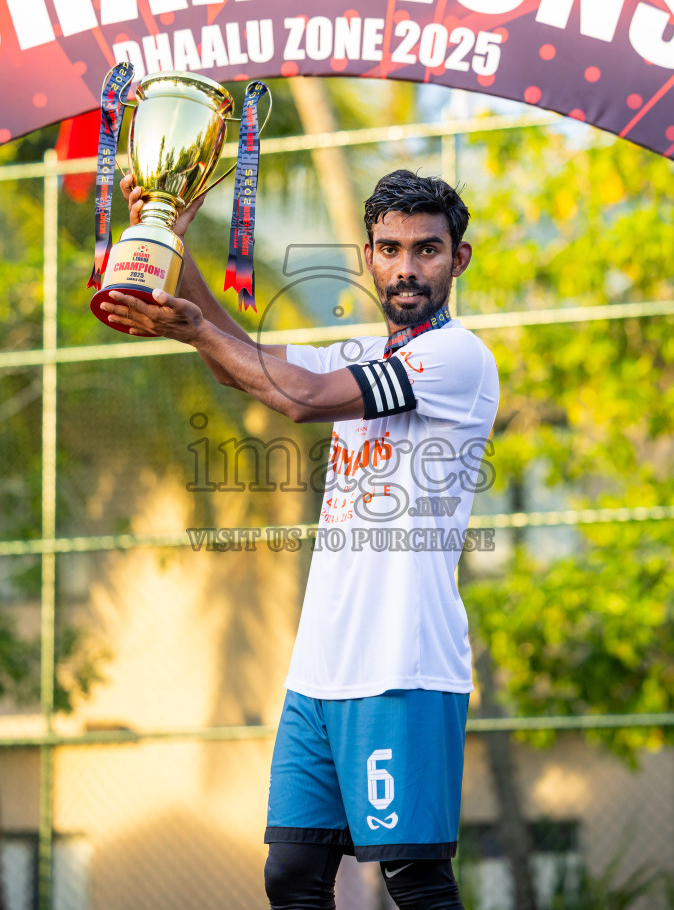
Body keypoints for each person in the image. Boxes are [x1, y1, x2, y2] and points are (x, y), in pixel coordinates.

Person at [105, 168, 499, 910]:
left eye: (427, 249)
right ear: (368, 255)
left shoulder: (457, 358)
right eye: (390, 248)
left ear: (459, 259)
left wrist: (191, 332)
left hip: (402, 666)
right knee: (291, 876)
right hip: (319, 671)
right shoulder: (357, 351)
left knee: (414, 880)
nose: (407, 267)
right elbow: (234, 355)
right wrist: (170, 241)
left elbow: (300, 398)